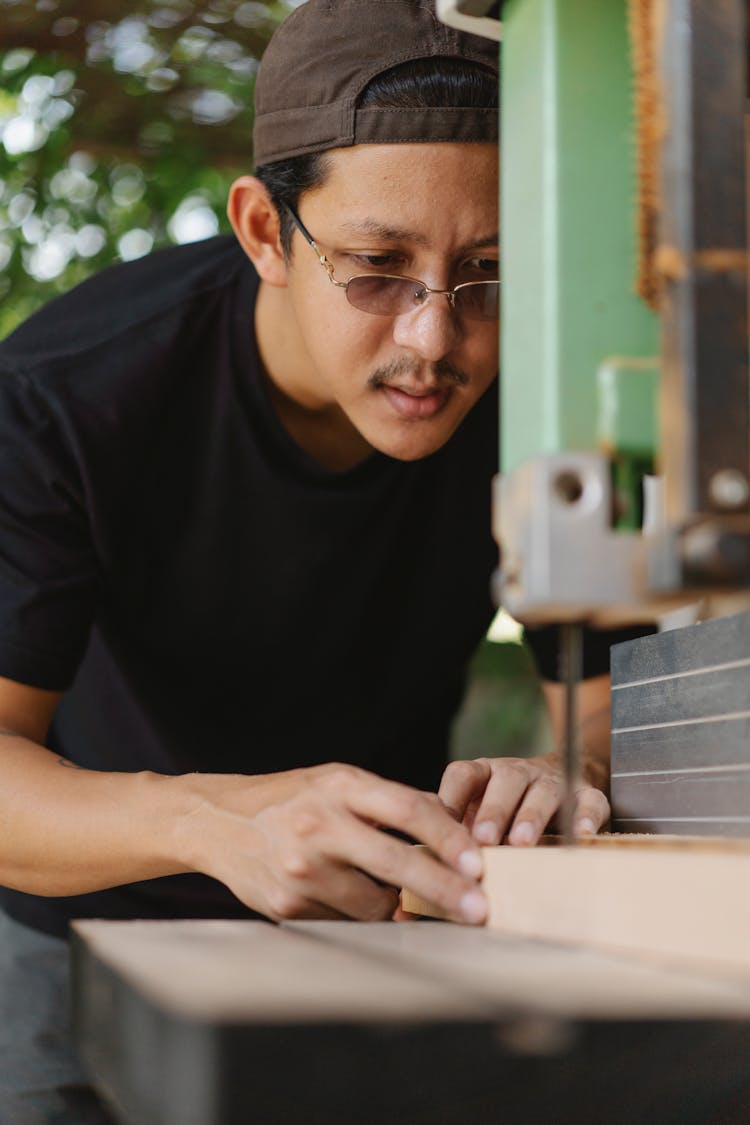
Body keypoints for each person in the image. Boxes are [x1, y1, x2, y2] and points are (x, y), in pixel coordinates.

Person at [0, 0, 640, 1118]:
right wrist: (211, 823)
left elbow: (601, 702)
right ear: (264, 233)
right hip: (79, 928)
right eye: (377, 267)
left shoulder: (545, 391)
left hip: (385, 926)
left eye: (487, 270)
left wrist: (568, 775)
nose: (435, 337)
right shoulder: (67, 399)